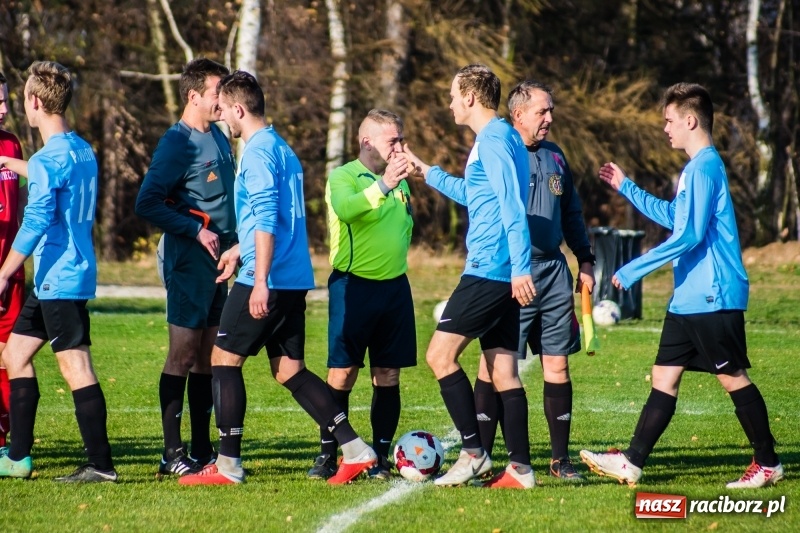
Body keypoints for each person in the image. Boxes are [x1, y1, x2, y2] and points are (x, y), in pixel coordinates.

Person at [580, 82, 784, 489]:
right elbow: (676, 217)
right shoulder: (695, 169)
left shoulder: (704, 168)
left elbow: (689, 235)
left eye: (669, 120)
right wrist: (627, 187)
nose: (665, 128)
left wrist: (635, 268)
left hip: (712, 295)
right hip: (688, 299)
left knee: (732, 377)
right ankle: (632, 461)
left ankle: (767, 463)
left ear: (690, 120)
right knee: (664, 376)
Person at [178, 70, 377, 486]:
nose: (222, 118)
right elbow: (273, 219)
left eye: (224, 111)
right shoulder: (281, 148)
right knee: (289, 370)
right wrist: (239, 249)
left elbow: (268, 219)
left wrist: (259, 279)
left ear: (238, 109)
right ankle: (356, 449)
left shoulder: (257, 153)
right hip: (291, 277)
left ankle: (228, 465)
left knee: (222, 361)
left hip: (267, 278)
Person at [404, 64, 536, 489]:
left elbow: (512, 205)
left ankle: (474, 453)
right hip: (501, 270)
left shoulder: (494, 140)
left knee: (439, 357)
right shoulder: (501, 137)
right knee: (503, 372)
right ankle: (521, 469)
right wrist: (428, 171)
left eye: (452, 95)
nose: (449, 103)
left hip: (490, 270)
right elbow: (477, 195)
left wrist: (520, 268)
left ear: (470, 97)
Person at [472, 81, 595, 481]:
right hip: (512, 273)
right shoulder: (501, 151)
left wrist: (585, 260)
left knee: (557, 364)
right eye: (543, 111)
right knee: (494, 366)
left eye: (551, 110)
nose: (549, 118)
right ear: (518, 114)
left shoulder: (556, 155)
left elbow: (572, 213)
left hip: (554, 273)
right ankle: (479, 457)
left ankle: (560, 460)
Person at [0, 61, 116, 482]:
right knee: (15, 355)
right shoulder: (80, 149)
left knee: (76, 367)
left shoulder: (50, 159)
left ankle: (101, 466)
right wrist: (9, 162)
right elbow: (52, 173)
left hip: (60, 278)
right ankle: (17, 458)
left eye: (22, 99)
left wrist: (3, 273)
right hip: (61, 276)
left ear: (34, 102)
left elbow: (35, 221)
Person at [135, 58, 236, 476]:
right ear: (194, 96)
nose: (222, 100)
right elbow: (147, 202)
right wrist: (195, 230)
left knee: (207, 357)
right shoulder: (177, 143)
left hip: (219, 262)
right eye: (216, 93)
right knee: (183, 353)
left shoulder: (219, 135)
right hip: (188, 261)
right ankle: (171, 454)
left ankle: (201, 448)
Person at [307, 109, 415, 480]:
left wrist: (392, 183)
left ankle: (380, 457)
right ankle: (328, 454)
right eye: (392, 140)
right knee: (342, 373)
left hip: (395, 288)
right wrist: (384, 184)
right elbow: (346, 209)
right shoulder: (344, 176)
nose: (399, 147)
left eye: (400, 139)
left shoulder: (400, 181)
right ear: (367, 141)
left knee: (388, 374)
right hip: (353, 287)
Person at [0, 71, 27, 449]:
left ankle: (7, 439)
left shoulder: (11, 145)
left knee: (10, 355)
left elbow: (20, 204)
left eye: (6, 99)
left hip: (10, 271)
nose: (4, 108)